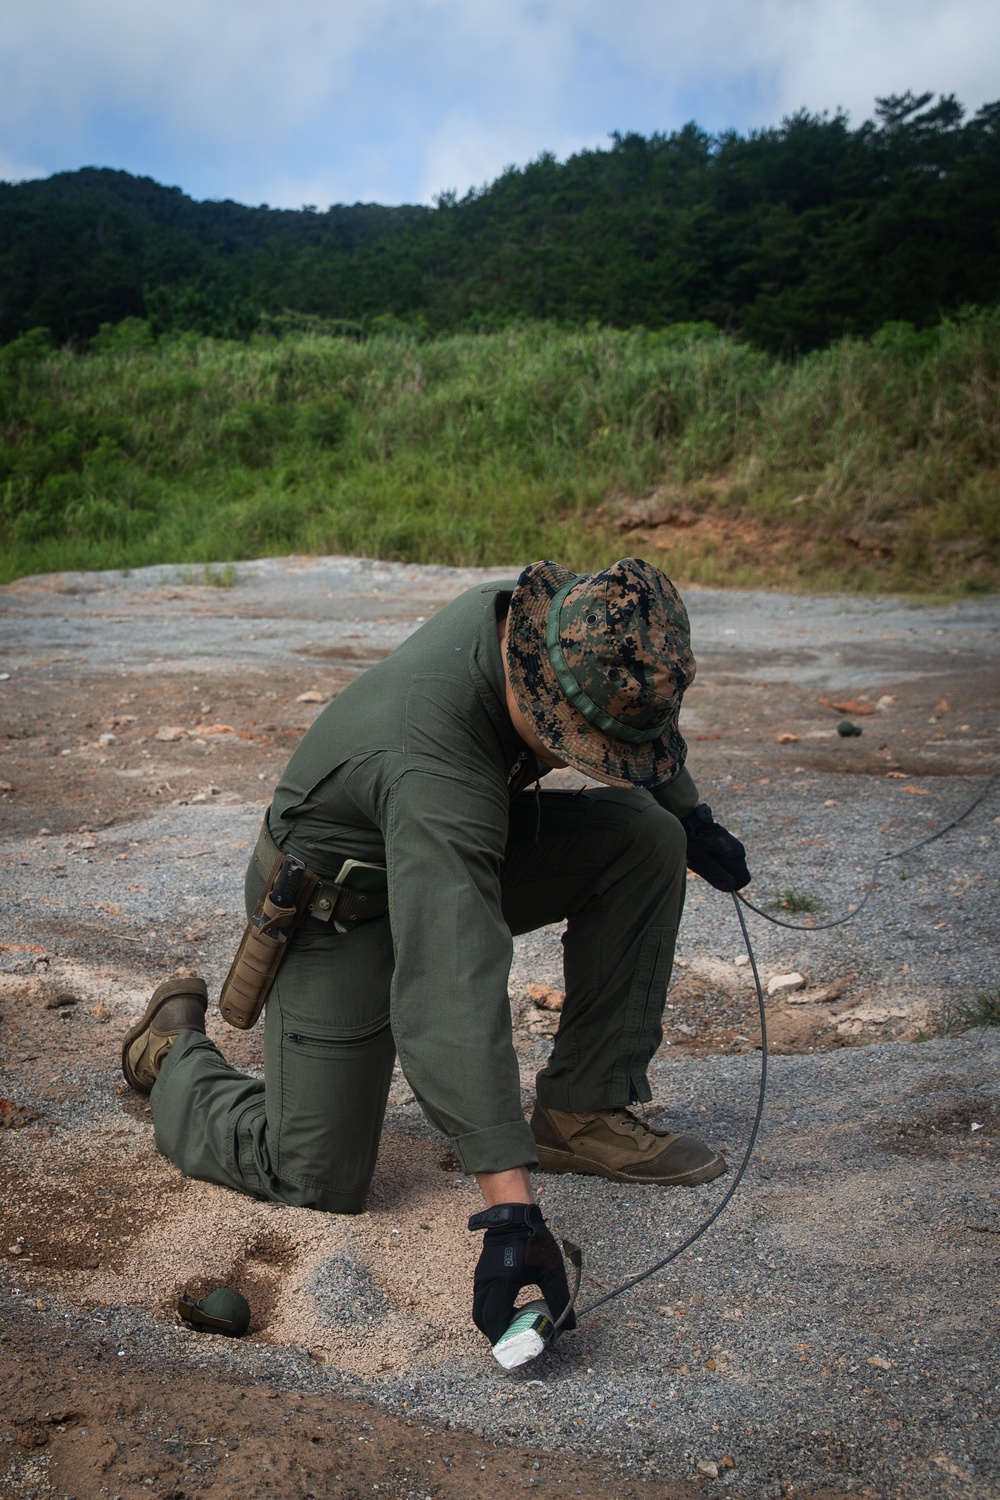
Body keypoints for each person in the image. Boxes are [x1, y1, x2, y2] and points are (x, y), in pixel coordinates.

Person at [121, 558, 750, 1345]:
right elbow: (451, 983)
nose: (580, 757)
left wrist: (689, 815)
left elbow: (626, 698)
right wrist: (511, 1215)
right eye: (577, 743)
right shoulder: (434, 759)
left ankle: (582, 1112)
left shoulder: (555, 630)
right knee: (313, 1176)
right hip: (335, 910)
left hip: (426, 849)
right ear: (536, 683)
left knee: (646, 839)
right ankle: (172, 1050)